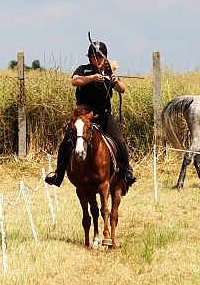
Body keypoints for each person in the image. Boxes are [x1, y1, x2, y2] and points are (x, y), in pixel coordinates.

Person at [44, 39, 137, 189]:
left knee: (119, 141)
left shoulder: (108, 73)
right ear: (89, 58)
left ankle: (127, 172)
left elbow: (122, 89)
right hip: (83, 116)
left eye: (100, 57)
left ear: (105, 58)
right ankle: (58, 174)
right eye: (94, 57)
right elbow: (75, 81)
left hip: (103, 115)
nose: (97, 60)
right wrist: (92, 78)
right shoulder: (84, 70)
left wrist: (116, 81)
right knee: (67, 141)